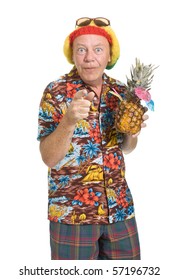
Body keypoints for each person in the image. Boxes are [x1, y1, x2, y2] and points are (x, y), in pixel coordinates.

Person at [37, 17, 148, 260]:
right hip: (72, 214)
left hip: (120, 210)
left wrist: (131, 134)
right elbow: (48, 157)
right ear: (73, 55)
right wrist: (68, 121)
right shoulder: (55, 92)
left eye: (98, 49)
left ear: (109, 56)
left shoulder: (121, 92)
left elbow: (126, 148)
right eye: (81, 50)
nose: (89, 57)